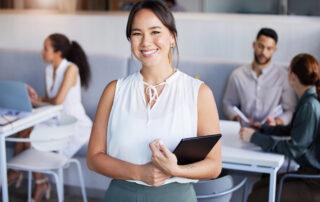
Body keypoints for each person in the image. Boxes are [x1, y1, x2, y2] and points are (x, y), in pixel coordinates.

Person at [87, 1, 221, 201]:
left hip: (176, 196)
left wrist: (176, 169)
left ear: (172, 37)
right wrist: (140, 173)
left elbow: (214, 166)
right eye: (137, 33)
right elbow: (94, 158)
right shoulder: (114, 91)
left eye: (155, 32)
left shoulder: (199, 93)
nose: (146, 42)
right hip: (121, 195)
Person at [8, 33, 92, 202]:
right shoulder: (48, 69)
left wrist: (42, 100)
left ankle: (18, 175)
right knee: (25, 131)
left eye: (46, 48)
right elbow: (49, 100)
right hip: (54, 119)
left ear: (58, 52)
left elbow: (58, 100)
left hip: (72, 124)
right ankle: (37, 181)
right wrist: (33, 99)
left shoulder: (71, 69)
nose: (42, 52)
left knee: (30, 135)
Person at [240, 53, 320, 202]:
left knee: (257, 197)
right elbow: (293, 131)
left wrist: (254, 137)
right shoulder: (308, 100)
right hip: (307, 174)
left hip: (313, 182)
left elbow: (293, 148)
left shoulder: (309, 105)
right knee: (259, 186)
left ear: (293, 77)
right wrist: (263, 129)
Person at [223, 28, 296, 126]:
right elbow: (228, 103)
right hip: (243, 129)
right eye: (260, 46)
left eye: (269, 48)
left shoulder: (283, 77)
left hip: (271, 132)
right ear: (254, 45)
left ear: (274, 50)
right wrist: (237, 118)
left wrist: (276, 122)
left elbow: (290, 109)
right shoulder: (238, 75)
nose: (263, 52)